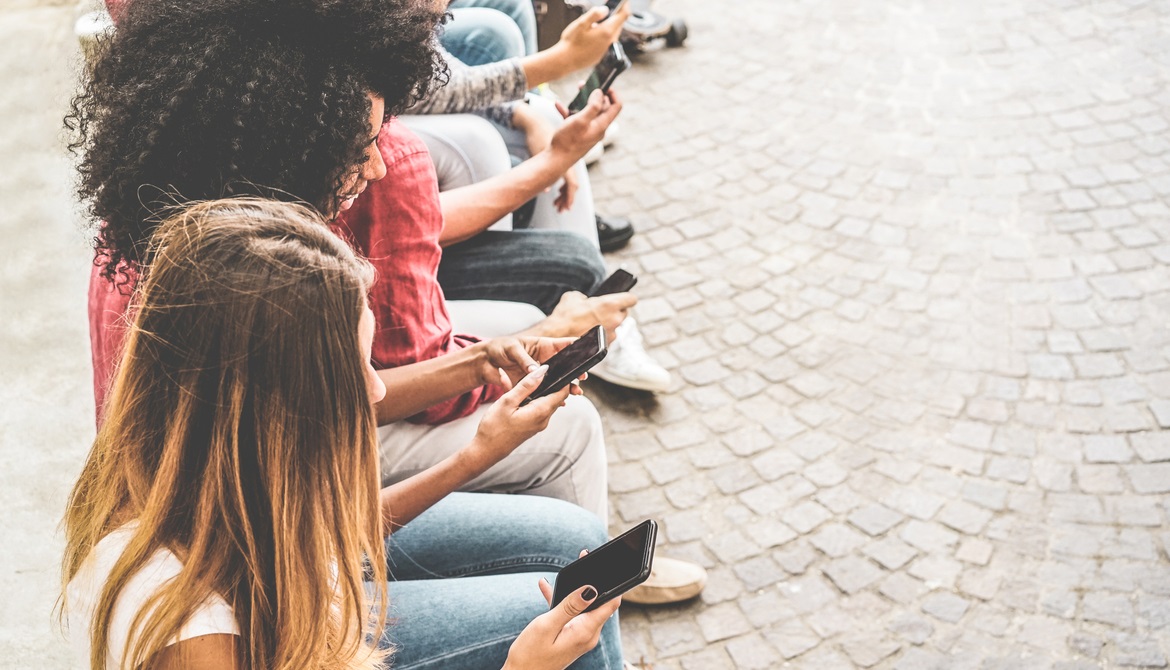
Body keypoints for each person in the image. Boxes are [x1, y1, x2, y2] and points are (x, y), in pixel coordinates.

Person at [76, 0, 704, 603]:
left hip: (287, 546)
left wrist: (483, 384)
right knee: (569, 524)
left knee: (571, 547)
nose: (376, 167)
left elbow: (353, 428)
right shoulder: (270, 292)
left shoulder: (202, 244)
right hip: (287, 596)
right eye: (361, 147)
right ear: (289, 145)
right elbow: (322, 548)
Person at [60, 198, 624, 669]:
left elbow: (331, 536)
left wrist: (480, 453)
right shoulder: (194, 634)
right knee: (563, 629)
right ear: (271, 403)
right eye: (355, 369)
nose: (378, 392)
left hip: (322, 620)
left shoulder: (216, 477)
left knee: (574, 539)